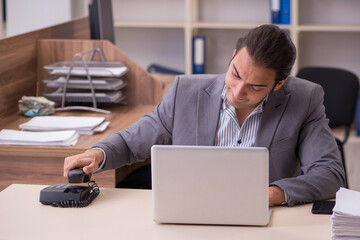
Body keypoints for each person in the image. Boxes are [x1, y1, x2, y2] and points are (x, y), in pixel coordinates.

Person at [63, 24, 345, 207]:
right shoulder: (186, 91)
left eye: (255, 87)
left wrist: (270, 195)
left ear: (279, 84)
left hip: (262, 220)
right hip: (190, 210)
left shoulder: (304, 99)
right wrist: (98, 154)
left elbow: (329, 174)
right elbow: (131, 143)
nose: (237, 92)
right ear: (233, 56)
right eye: (235, 74)